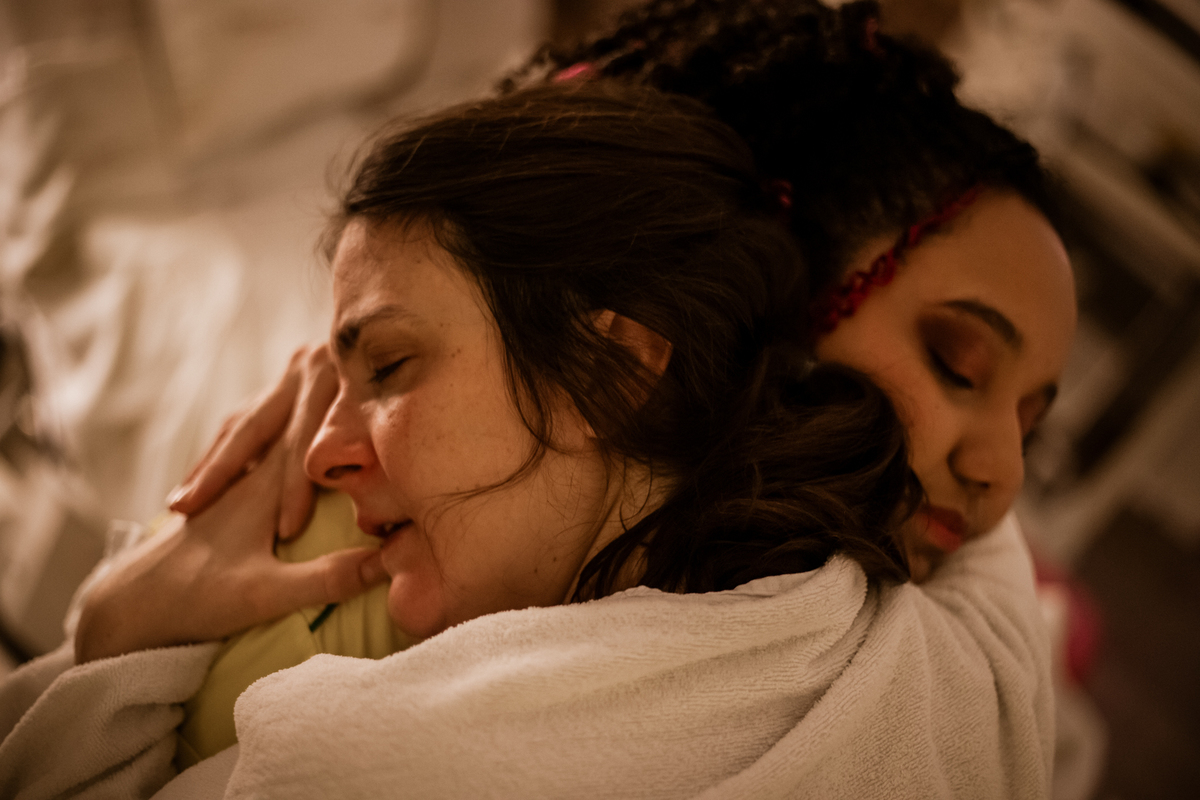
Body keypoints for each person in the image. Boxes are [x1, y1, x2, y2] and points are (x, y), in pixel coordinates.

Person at [2, 79, 952, 798]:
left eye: (389, 365)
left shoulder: (374, 764)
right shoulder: (932, 649)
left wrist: (110, 642)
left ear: (612, 372)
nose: (323, 453)